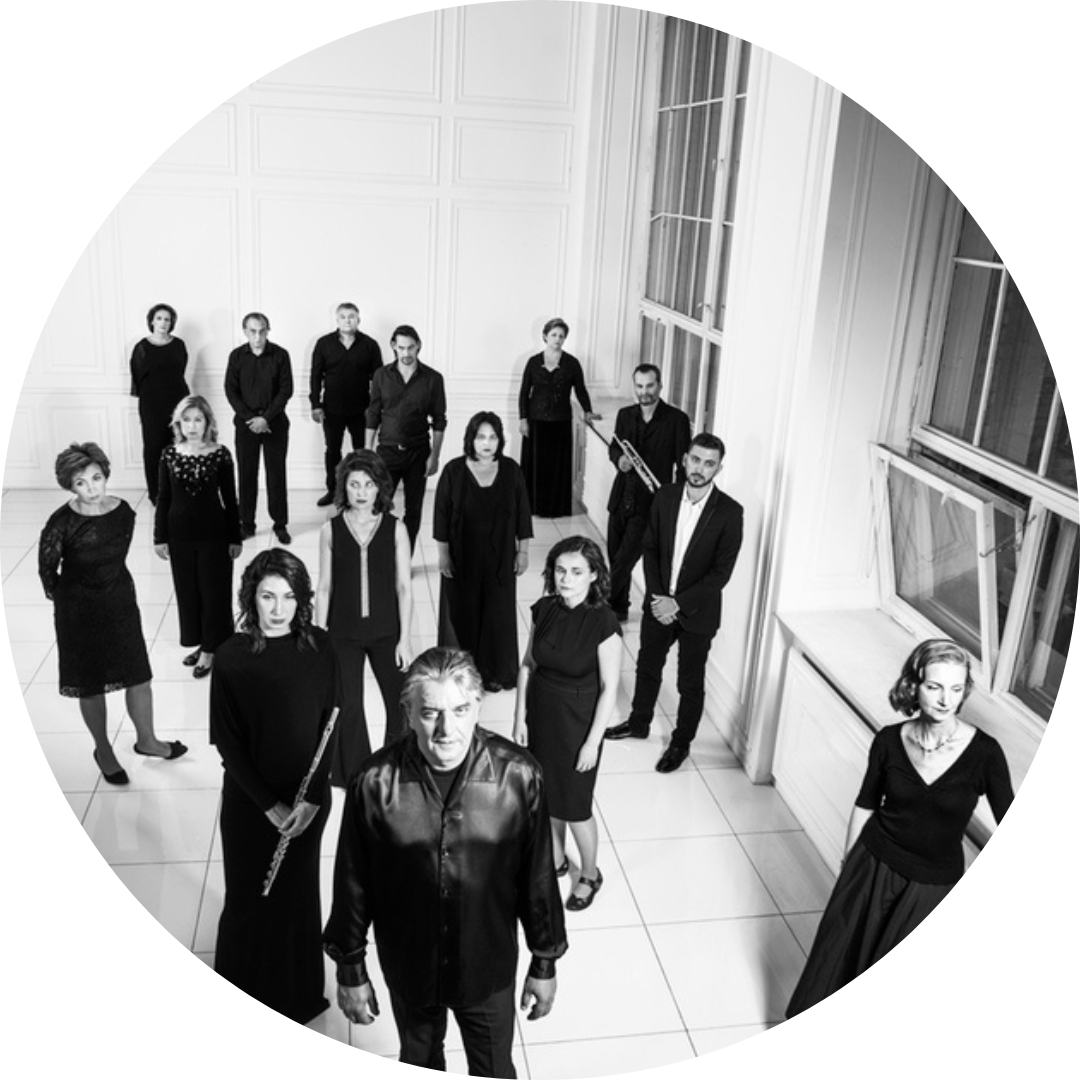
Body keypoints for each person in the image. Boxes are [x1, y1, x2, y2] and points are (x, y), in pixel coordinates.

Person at [324, 647, 567, 1075]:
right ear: (408, 712)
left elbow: (538, 879)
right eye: (430, 713)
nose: (446, 729)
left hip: (486, 968)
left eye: (459, 710)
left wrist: (544, 961)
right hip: (411, 966)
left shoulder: (520, 776)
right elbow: (353, 881)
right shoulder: (373, 783)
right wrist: (350, 968)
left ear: (478, 706)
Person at [785, 639, 1014, 1018]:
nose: (946, 700)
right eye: (934, 687)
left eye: (956, 689)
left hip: (932, 884)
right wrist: (848, 866)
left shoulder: (985, 753)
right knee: (837, 962)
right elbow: (866, 803)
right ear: (914, 684)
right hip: (872, 864)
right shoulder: (889, 740)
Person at [210, 549, 340, 1025]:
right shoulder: (231, 657)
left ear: (302, 599)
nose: (279, 608)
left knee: (296, 899)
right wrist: (269, 806)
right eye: (268, 596)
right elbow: (226, 742)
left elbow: (332, 722)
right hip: (251, 802)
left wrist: (312, 799)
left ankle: (297, 998)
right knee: (248, 898)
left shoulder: (321, 647)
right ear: (252, 598)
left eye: (288, 597)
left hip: (308, 800)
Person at [38, 442, 187, 786]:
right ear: (70, 486)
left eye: (96, 478)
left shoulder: (124, 513)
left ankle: (147, 740)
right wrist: (71, 601)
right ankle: (103, 750)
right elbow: (47, 572)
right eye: (81, 483)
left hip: (120, 603)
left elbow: (115, 559)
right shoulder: (60, 523)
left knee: (139, 675)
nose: (92, 488)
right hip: (78, 612)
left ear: (105, 475)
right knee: (90, 684)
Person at [605, 433, 743, 773]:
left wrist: (676, 604)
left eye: (709, 463)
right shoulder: (665, 496)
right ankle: (639, 723)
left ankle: (681, 743)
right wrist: (658, 599)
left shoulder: (730, 512)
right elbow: (650, 548)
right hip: (658, 603)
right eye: (695, 460)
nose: (700, 469)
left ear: (718, 469)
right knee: (647, 667)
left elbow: (721, 573)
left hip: (697, 613)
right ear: (684, 459)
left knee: (689, 683)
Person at [513, 536, 621, 912]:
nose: (566, 579)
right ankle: (556, 858)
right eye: (560, 570)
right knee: (546, 795)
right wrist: (520, 717)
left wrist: (592, 742)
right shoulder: (543, 609)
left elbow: (609, 689)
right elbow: (528, 665)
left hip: (579, 723)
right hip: (542, 714)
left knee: (575, 804)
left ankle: (589, 873)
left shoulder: (604, 622)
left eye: (576, 572)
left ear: (593, 575)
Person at [315, 449, 413, 785]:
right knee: (349, 706)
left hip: (387, 631)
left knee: (401, 702)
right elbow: (324, 587)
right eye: (354, 484)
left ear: (380, 487)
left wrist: (405, 639)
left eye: (368, 485)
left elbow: (404, 587)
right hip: (343, 633)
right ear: (344, 486)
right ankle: (356, 775)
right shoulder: (330, 530)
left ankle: (395, 768)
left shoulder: (395, 528)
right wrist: (320, 637)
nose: (361, 492)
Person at [434, 411, 532, 692]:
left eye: (493, 437)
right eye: (480, 437)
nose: (487, 443)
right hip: (462, 558)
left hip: (500, 559)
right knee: (464, 613)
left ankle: (493, 671)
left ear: (500, 440)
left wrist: (523, 552)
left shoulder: (511, 471)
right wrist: (443, 555)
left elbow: (523, 514)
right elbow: (441, 516)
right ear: (471, 439)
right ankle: (463, 672)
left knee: (496, 615)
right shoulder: (453, 471)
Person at [154, 395, 242, 679]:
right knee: (189, 593)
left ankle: (210, 650)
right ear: (179, 423)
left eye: (198, 419)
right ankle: (205, 643)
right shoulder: (169, 455)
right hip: (179, 536)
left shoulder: (220, 454)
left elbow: (230, 499)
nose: (192, 426)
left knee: (213, 593)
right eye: (186, 420)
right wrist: (160, 537)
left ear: (207, 423)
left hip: (213, 535)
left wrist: (235, 537)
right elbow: (163, 498)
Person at [605, 364, 691, 622]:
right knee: (615, 557)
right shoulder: (625, 415)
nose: (644, 392)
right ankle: (619, 608)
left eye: (650, 385)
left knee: (624, 561)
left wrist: (675, 504)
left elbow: (683, 467)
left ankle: (599, 608)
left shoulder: (676, 420)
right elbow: (614, 447)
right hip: (621, 498)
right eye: (639, 386)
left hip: (650, 504)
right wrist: (619, 459)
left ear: (660, 386)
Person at [364, 324, 446, 552]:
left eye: (411, 347)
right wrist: (367, 451)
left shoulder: (433, 379)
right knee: (379, 506)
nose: (406, 353)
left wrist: (434, 456)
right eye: (401, 348)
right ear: (393, 346)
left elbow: (439, 420)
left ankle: (404, 558)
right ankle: (381, 554)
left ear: (418, 346)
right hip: (387, 452)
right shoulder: (381, 376)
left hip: (418, 453)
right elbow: (373, 414)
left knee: (414, 510)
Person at [517, 317, 601, 518]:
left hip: (561, 422)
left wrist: (588, 410)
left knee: (556, 467)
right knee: (536, 466)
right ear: (545, 336)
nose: (557, 339)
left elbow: (580, 389)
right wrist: (523, 419)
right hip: (536, 421)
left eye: (561, 336)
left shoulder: (572, 363)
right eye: (553, 335)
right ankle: (532, 506)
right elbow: (524, 393)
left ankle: (555, 508)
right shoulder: (533, 362)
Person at [224, 311, 294, 544]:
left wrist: (266, 419)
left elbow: (286, 390)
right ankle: (247, 524)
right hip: (246, 426)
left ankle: (280, 524)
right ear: (245, 332)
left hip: (275, 424)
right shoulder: (236, 356)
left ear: (268, 330)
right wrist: (251, 419)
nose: (257, 336)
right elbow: (231, 390)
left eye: (262, 331)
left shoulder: (281, 355)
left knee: (276, 475)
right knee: (246, 475)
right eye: (253, 331)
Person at [309, 302, 383, 508]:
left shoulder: (370, 345)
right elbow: (316, 376)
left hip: (362, 409)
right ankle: (334, 491)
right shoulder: (324, 344)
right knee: (333, 450)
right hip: (332, 409)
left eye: (351, 316)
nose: (347, 320)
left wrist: (375, 408)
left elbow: (379, 380)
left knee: (362, 452)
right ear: (337, 319)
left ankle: (364, 491)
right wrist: (315, 404)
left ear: (358, 319)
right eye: (343, 316)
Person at [129, 302, 190, 505]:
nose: (163, 323)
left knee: (179, 445)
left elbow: (180, 371)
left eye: (167, 319)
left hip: (178, 401)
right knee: (154, 447)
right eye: (159, 318)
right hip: (152, 404)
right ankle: (156, 493)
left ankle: (178, 490)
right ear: (152, 321)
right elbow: (137, 376)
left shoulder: (179, 345)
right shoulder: (142, 347)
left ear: (172, 323)